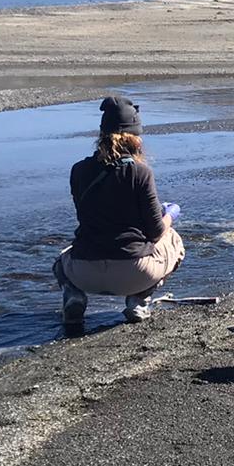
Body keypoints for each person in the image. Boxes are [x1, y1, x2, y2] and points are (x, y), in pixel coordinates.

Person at [52, 95, 185, 332]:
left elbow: (88, 217)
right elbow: (155, 232)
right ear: (136, 139)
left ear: (101, 135)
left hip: (84, 271)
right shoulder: (140, 173)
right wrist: (170, 214)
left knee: (61, 259)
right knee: (173, 239)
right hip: (134, 272)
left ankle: (74, 296)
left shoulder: (79, 170)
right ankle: (138, 300)